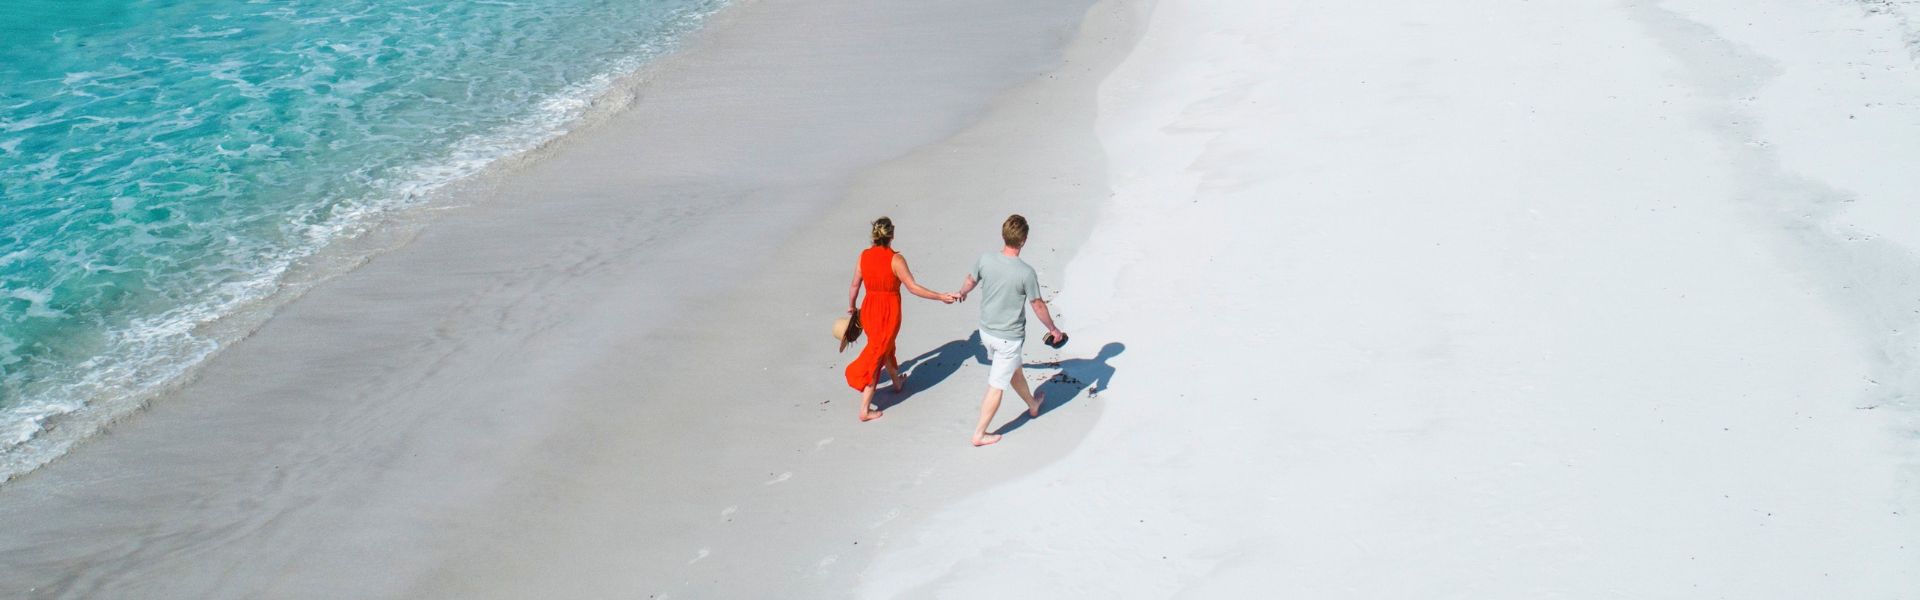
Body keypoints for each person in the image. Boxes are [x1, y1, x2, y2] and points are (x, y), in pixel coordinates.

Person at [954, 214, 1065, 446]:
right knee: (997, 386)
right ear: (1023, 241)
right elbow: (1037, 305)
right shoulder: (1025, 272)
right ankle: (979, 433)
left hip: (986, 332)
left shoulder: (985, 259)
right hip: (1008, 338)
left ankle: (1033, 405)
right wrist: (1053, 329)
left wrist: (962, 292)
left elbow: (970, 279)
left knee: (1014, 369)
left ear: (1004, 235)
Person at [845, 217, 957, 422]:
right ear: (892, 235)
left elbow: (854, 285)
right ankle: (865, 409)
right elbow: (913, 288)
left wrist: (852, 307)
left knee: (883, 346)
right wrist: (940, 296)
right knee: (877, 353)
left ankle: (897, 382)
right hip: (889, 313)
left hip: (869, 310)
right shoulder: (896, 259)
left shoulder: (864, 256)